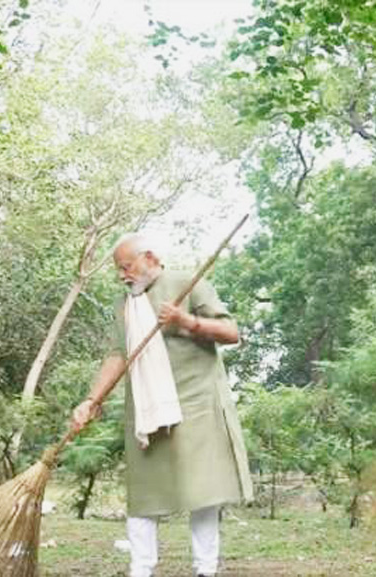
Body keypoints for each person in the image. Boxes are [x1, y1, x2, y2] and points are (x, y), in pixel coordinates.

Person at [70, 233, 252, 577]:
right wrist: (91, 400)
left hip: (197, 403)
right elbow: (117, 355)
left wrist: (187, 322)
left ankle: (205, 569)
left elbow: (231, 332)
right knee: (143, 494)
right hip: (147, 410)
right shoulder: (126, 304)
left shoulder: (188, 283)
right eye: (119, 270)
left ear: (150, 258)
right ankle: (141, 570)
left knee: (205, 490)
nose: (123, 275)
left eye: (127, 267)